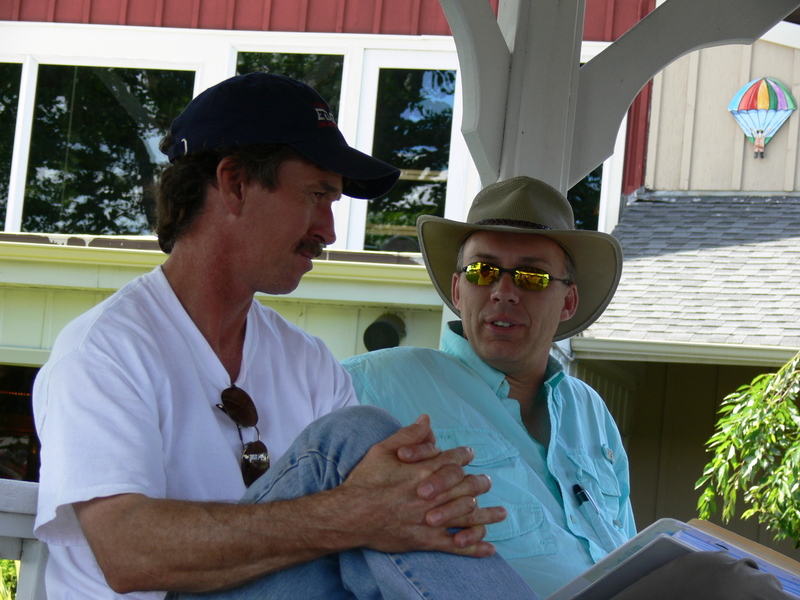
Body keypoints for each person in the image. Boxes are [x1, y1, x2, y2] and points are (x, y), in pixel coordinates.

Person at [32, 73, 538, 599]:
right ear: (235, 184)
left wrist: (396, 506)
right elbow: (126, 553)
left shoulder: (307, 360)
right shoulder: (105, 349)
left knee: (384, 476)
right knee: (354, 439)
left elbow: (376, 521)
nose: (328, 229)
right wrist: (353, 514)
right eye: (317, 195)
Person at [342, 176, 792, 599]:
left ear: (568, 302)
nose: (503, 290)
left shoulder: (589, 410)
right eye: (482, 270)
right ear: (458, 290)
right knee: (726, 578)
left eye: (531, 276)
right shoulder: (377, 381)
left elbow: (625, 544)